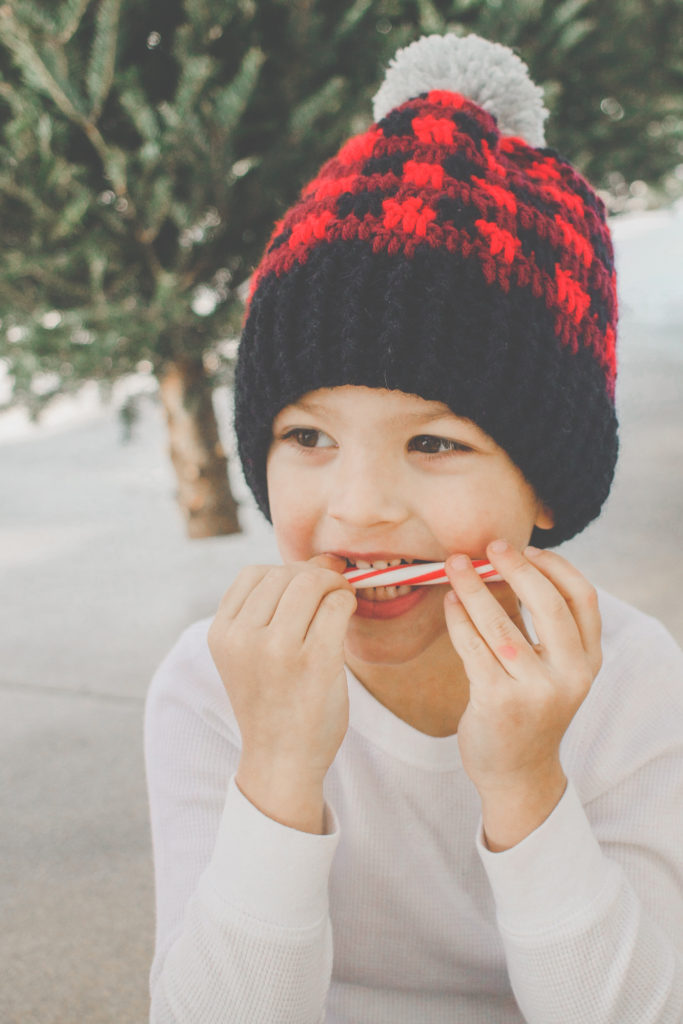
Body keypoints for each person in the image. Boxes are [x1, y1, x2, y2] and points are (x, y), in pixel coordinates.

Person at [144, 33, 683, 1023]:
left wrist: (524, 783)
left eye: (433, 446)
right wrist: (275, 768)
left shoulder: (634, 684)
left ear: (546, 487)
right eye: (306, 434)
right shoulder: (212, 687)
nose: (356, 505)